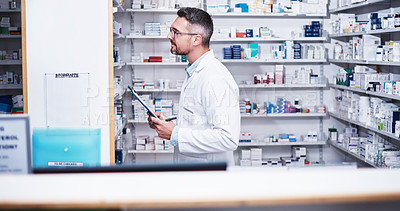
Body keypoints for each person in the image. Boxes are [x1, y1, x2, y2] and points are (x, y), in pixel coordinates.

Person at [148, 7, 240, 165]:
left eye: (175, 32)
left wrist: (175, 134)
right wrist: (168, 125)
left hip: (209, 178)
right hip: (193, 172)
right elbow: (200, 121)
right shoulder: (195, 71)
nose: (169, 36)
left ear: (196, 39)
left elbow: (228, 138)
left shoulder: (214, 78)